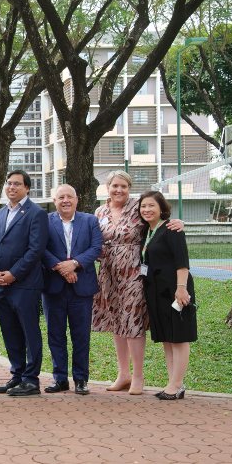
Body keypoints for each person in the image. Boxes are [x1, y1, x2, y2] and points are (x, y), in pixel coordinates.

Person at [92, 170, 182, 395]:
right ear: (107, 187)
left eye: (123, 186)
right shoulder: (100, 211)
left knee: (132, 321)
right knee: (116, 322)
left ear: (129, 188)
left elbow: (158, 220)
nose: (118, 190)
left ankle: (138, 376)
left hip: (134, 272)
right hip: (108, 273)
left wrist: (178, 222)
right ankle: (123, 373)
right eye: (115, 186)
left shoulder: (137, 207)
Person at [0, 169, 48, 397]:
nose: (11, 187)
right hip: (1, 284)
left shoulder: (36, 213)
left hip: (25, 284)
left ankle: (31, 380)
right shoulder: (1, 213)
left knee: (29, 332)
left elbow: (35, 250)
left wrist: (13, 274)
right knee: (10, 332)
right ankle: (17, 374)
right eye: (9, 183)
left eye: (17, 184)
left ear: (27, 188)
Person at [41, 184, 103, 395]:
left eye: (69, 196)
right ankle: (60, 379)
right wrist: (61, 268)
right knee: (55, 334)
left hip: (82, 287)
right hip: (53, 287)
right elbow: (40, 248)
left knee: (81, 336)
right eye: (61, 197)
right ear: (54, 201)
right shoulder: (45, 221)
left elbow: (96, 248)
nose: (65, 200)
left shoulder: (90, 221)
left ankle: (80, 379)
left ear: (77, 200)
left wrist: (74, 264)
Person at [138, 191, 197, 400]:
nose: (147, 209)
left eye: (151, 205)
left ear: (161, 208)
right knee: (167, 338)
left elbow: (182, 262)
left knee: (179, 336)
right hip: (156, 292)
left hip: (175, 290)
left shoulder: (172, 229)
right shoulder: (147, 230)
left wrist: (181, 288)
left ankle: (177, 384)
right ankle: (173, 382)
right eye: (143, 206)